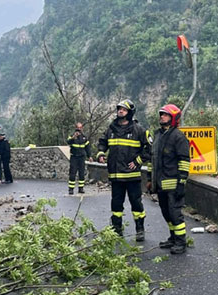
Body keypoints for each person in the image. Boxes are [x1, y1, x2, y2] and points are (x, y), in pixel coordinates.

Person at [97, 99, 152, 241]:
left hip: (132, 175)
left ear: (130, 112)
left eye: (124, 109)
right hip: (116, 175)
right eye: (119, 109)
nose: (120, 111)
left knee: (136, 203)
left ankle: (140, 230)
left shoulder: (138, 130)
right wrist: (101, 153)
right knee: (116, 204)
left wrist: (138, 161)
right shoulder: (111, 129)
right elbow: (102, 142)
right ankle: (116, 229)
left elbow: (149, 148)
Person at [147, 104, 191, 254]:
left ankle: (181, 242)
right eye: (161, 114)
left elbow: (184, 161)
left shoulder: (178, 137)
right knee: (166, 213)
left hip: (173, 185)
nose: (162, 117)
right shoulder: (158, 135)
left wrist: (181, 183)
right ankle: (173, 238)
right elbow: (152, 160)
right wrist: (150, 179)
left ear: (173, 118)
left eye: (165, 115)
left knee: (175, 214)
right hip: (160, 184)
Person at [67, 122, 92, 194]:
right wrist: (73, 137)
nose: (79, 129)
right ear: (75, 128)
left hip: (82, 157)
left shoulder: (84, 137)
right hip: (74, 157)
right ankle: (71, 189)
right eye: (78, 127)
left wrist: (89, 156)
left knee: (82, 173)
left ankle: (81, 188)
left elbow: (87, 148)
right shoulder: (71, 136)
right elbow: (68, 142)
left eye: (80, 127)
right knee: (72, 173)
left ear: (82, 128)